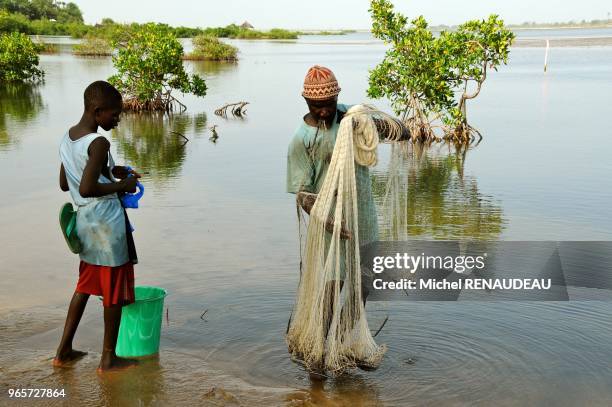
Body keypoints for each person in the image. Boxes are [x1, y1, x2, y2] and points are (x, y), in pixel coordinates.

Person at [54, 80, 141, 372]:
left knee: (85, 286)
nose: (117, 120)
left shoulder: (68, 138)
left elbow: (67, 183)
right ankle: (108, 358)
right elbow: (89, 186)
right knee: (113, 290)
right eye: (114, 115)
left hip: (85, 224)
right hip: (106, 225)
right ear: (97, 110)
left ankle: (63, 350)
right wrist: (123, 185)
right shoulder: (99, 142)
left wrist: (111, 170)